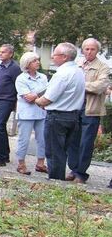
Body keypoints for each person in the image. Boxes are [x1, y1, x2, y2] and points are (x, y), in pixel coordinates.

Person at [35, 43, 85, 181]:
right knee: (63, 151)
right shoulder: (79, 71)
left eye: (55, 54)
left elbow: (47, 99)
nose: (52, 56)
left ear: (64, 57)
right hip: (73, 116)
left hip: (58, 117)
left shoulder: (62, 74)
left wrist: (36, 100)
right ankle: (59, 180)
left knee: (54, 152)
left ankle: (56, 182)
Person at [66, 38, 110, 183]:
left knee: (86, 143)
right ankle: (73, 168)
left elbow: (100, 86)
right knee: (72, 140)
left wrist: (80, 84)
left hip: (91, 110)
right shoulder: (77, 65)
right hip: (74, 107)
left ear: (97, 51)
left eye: (92, 49)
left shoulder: (103, 67)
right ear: (82, 50)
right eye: (86, 49)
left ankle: (81, 173)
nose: (89, 52)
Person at [14, 52, 48, 175]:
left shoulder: (43, 77)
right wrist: (41, 92)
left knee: (43, 139)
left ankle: (40, 163)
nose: (38, 62)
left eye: (38, 60)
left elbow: (48, 94)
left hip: (41, 112)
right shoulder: (21, 78)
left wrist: (35, 94)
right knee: (24, 139)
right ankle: (21, 163)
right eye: (34, 61)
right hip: (26, 113)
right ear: (27, 63)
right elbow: (28, 98)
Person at [0, 44, 22, 167]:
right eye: (0, 52)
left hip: (6, 100)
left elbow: (18, 85)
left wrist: (14, 102)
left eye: (3, 52)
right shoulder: (1, 66)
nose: (0, 54)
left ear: (10, 54)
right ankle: (2, 154)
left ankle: (1, 159)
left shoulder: (14, 68)